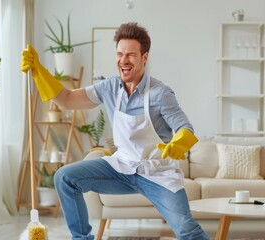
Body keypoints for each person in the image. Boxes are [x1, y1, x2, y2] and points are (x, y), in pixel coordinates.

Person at [21, 22, 210, 240]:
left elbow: (184, 127)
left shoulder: (161, 94)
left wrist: (179, 142)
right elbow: (68, 99)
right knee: (65, 177)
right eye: (120, 54)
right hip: (121, 167)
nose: (123, 60)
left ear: (144, 58)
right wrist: (39, 72)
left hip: (157, 173)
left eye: (130, 55)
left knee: (187, 229)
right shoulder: (110, 87)